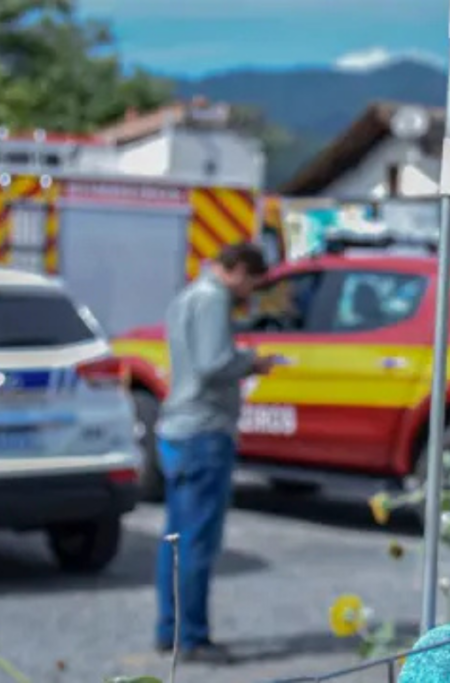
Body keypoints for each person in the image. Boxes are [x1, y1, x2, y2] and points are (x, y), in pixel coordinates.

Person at [154, 242, 275, 663]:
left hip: (179, 431)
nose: (251, 293)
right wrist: (251, 363)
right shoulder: (213, 299)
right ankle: (192, 638)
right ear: (238, 271)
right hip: (203, 432)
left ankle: (169, 629)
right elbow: (212, 363)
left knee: (175, 539)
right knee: (197, 542)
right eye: (253, 283)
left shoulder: (188, 295)